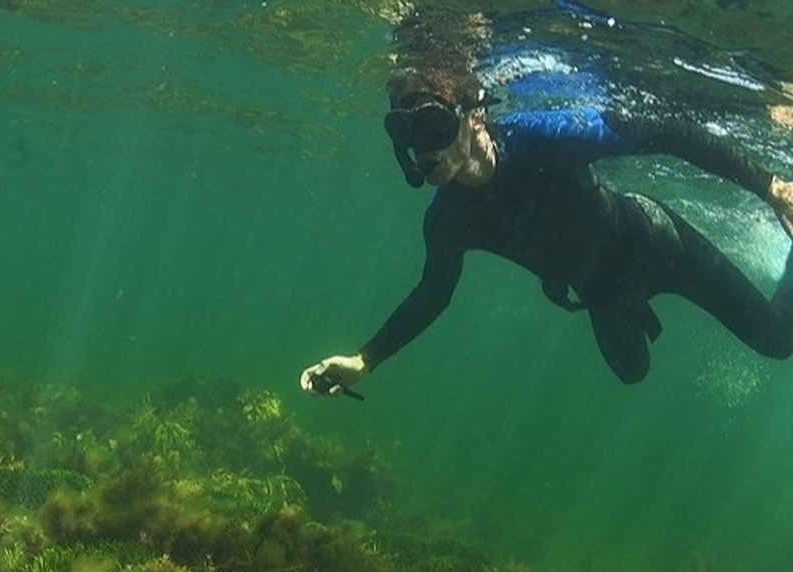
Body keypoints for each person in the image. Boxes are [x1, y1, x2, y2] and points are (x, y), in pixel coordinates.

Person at [300, 66, 793, 397]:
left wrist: (768, 186)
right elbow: (433, 294)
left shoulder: (548, 136)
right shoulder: (447, 219)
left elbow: (668, 133)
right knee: (632, 374)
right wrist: (365, 360)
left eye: (430, 123)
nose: (420, 148)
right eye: (403, 131)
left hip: (657, 244)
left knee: (775, 339)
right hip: (602, 294)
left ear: (476, 115)